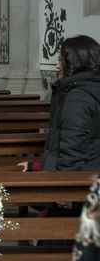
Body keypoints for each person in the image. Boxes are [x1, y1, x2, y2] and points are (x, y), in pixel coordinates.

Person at [42, 35, 100, 171]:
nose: (57, 66)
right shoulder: (92, 87)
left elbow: (71, 149)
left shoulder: (78, 97)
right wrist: (37, 165)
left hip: (73, 178)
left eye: (61, 60)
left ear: (75, 62)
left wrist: (65, 187)